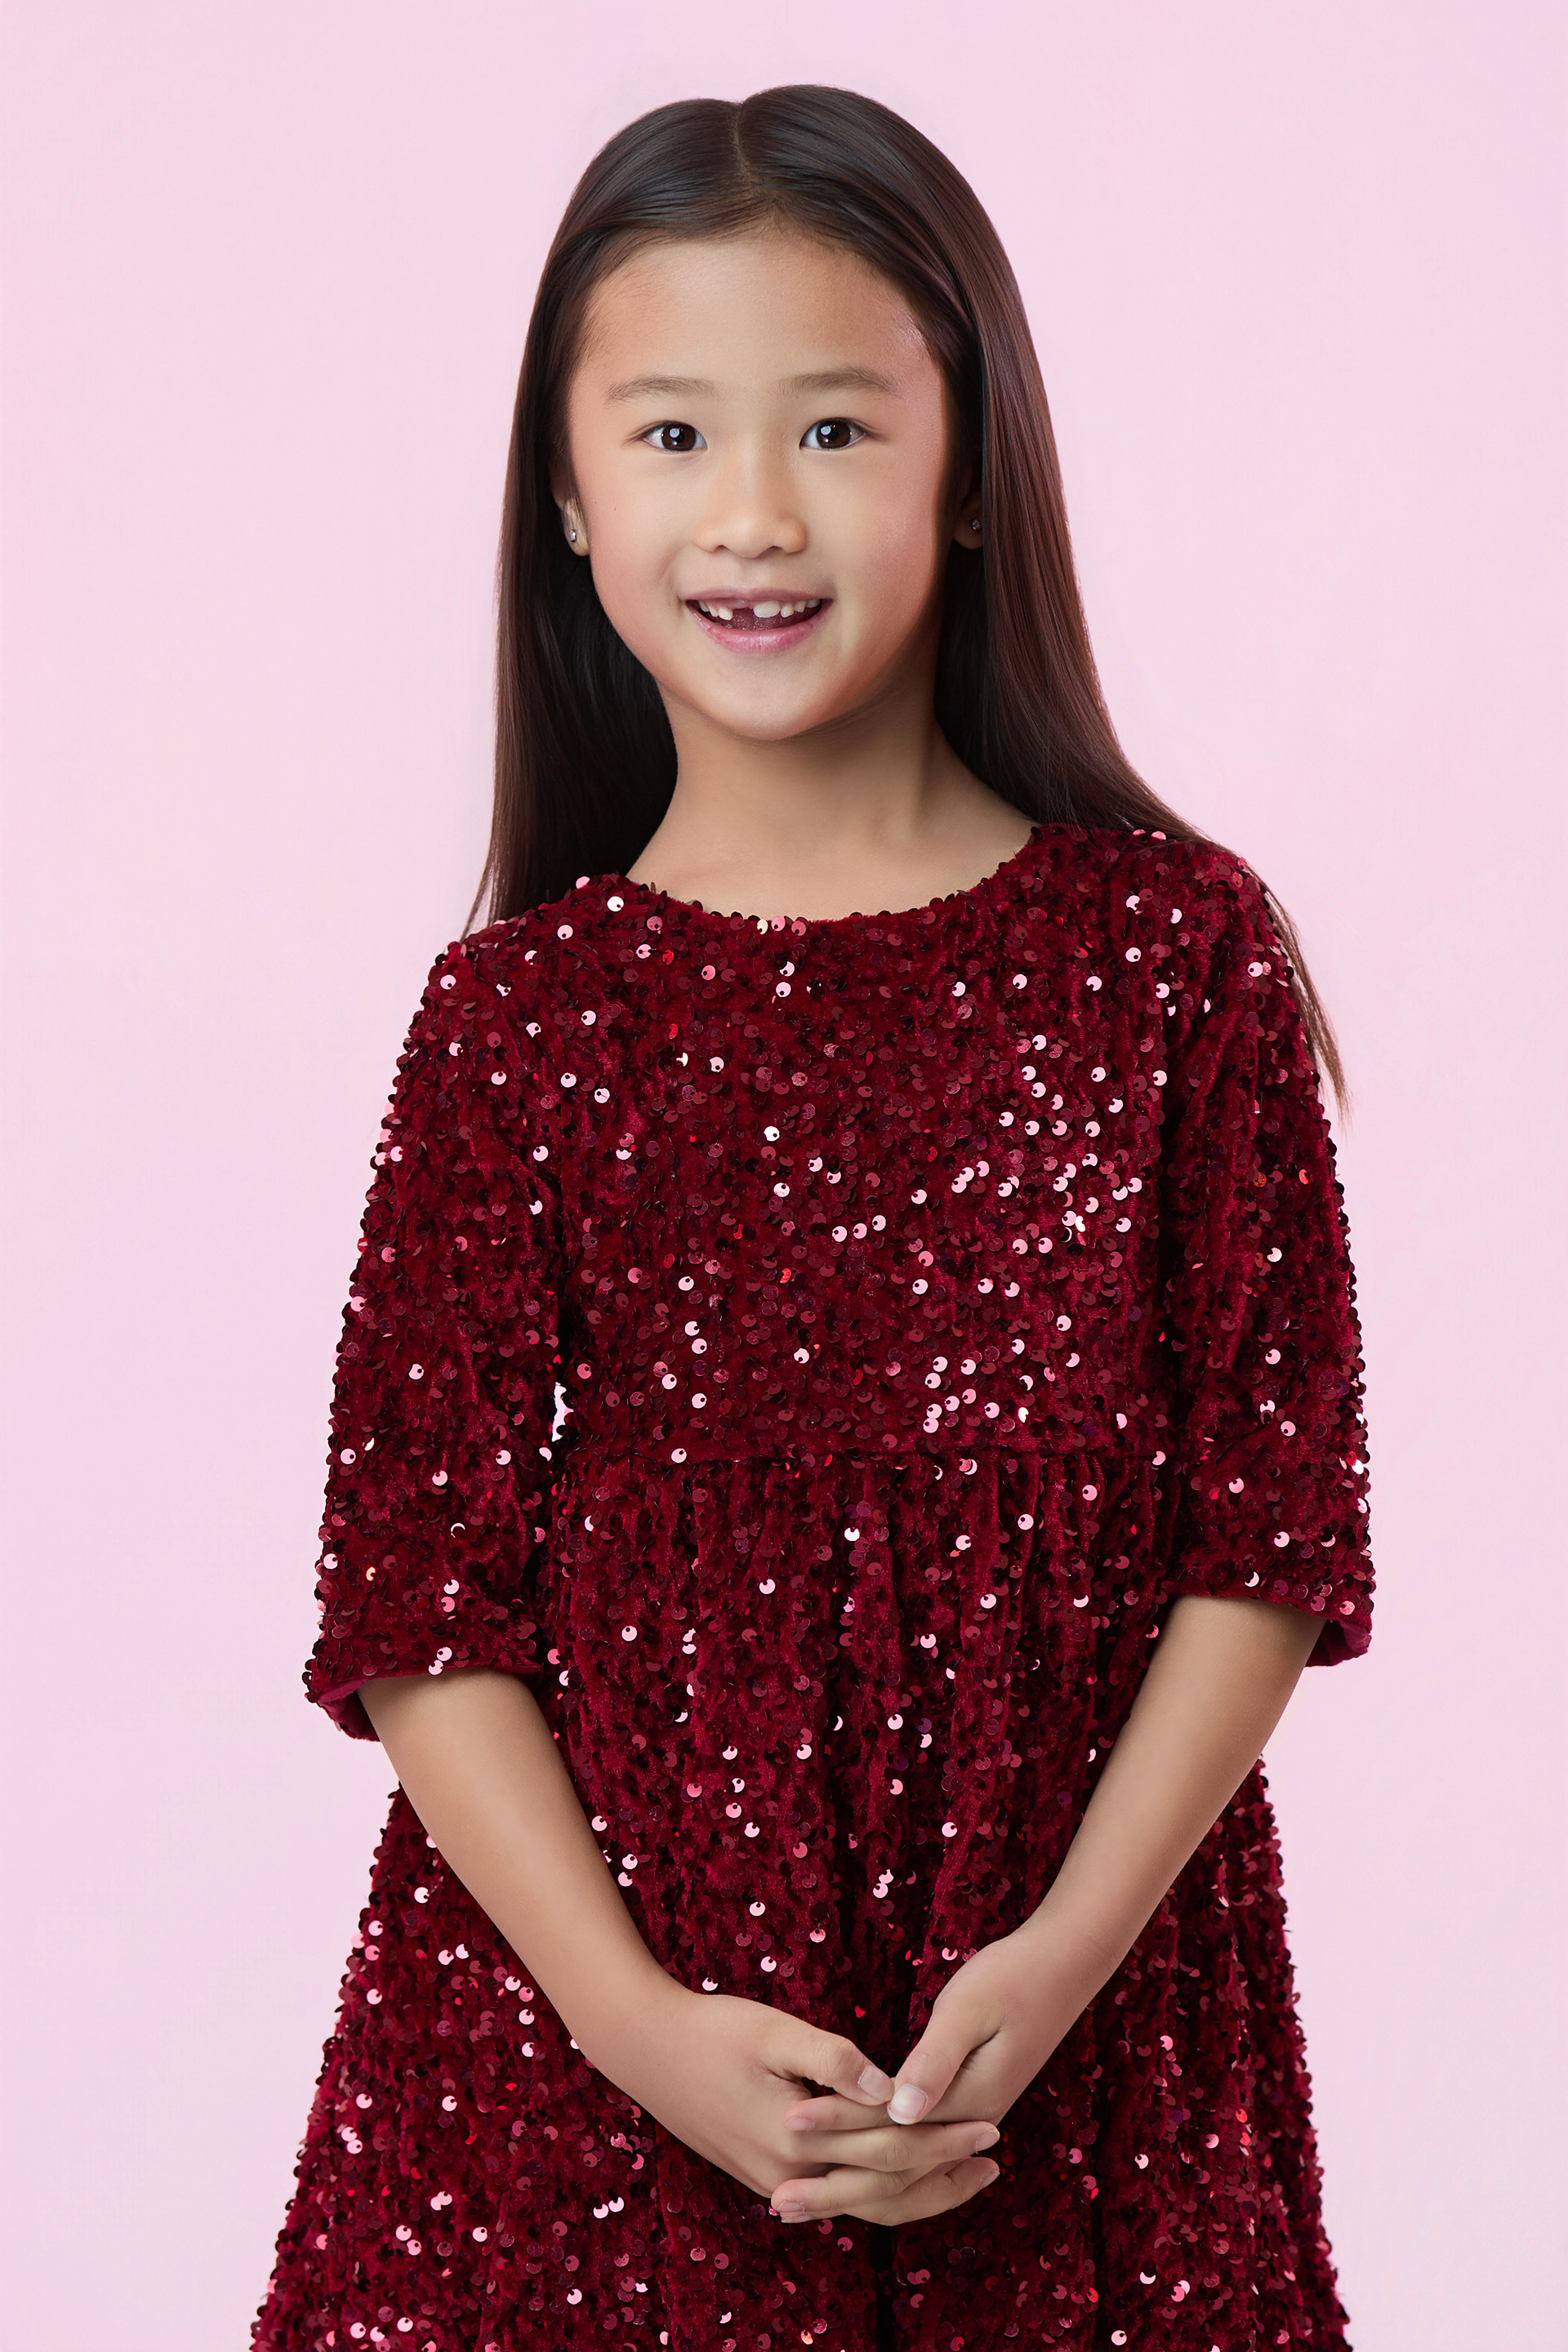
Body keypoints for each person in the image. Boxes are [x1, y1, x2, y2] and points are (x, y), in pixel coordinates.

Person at [253, 85, 1374, 2352]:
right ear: (568, 495)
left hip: (1075, 2071)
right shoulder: (517, 1021)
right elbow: (418, 1601)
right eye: (671, 434)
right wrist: (640, 2030)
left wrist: (1065, 1961)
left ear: (970, 472)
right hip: (590, 2088)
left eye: (838, 429)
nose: (754, 511)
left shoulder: (1176, 963)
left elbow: (1270, 1531)